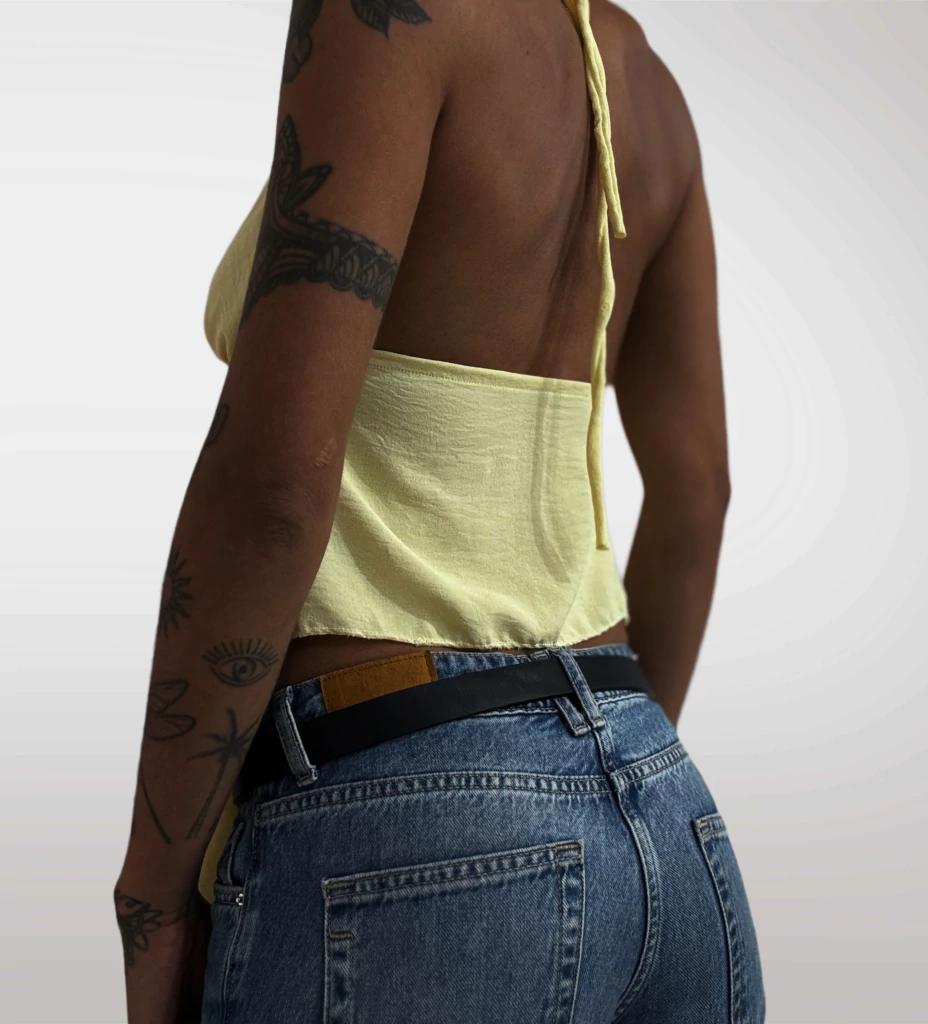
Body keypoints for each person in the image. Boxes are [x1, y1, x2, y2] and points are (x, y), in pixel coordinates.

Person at [113, 0, 765, 1020]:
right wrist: (590, 795)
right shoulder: (649, 92)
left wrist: (153, 890)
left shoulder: (391, 18)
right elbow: (699, 495)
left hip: (412, 831)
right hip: (673, 842)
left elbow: (276, 490)